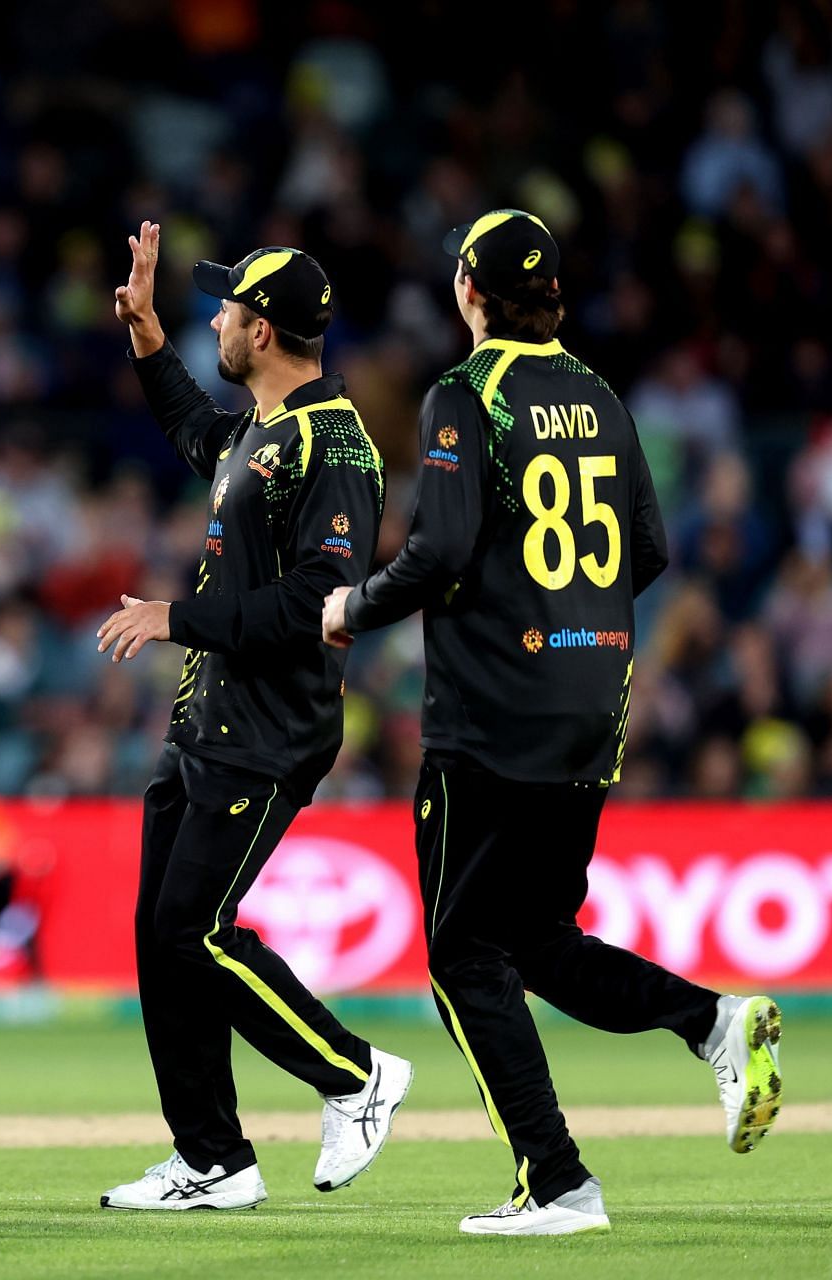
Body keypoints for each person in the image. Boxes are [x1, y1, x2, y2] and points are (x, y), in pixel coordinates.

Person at [322, 208, 784, 1235]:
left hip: (491, 717)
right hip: (590, 707)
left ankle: (558, 1178)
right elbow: (648, 551)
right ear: (555, 297)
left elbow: (439, 551)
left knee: (457, 953)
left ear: (470, 294)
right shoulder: (603, 397)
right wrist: (570, 617)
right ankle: (712, 1021)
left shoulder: (464, 395)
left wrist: (352, 605)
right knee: (533, 937)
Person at [94, 222, 407, 1211]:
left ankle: (353, 1072)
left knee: (200, 929)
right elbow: (194, 429)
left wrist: (173, 616)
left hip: (269, 727)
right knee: (162, 933)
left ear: (263, 331)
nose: (216, 319)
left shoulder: (337, 441)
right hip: (206, 723)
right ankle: (212, 1156)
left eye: (228, 307)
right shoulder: (259, 430)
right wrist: (144, 333)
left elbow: (320, 596)